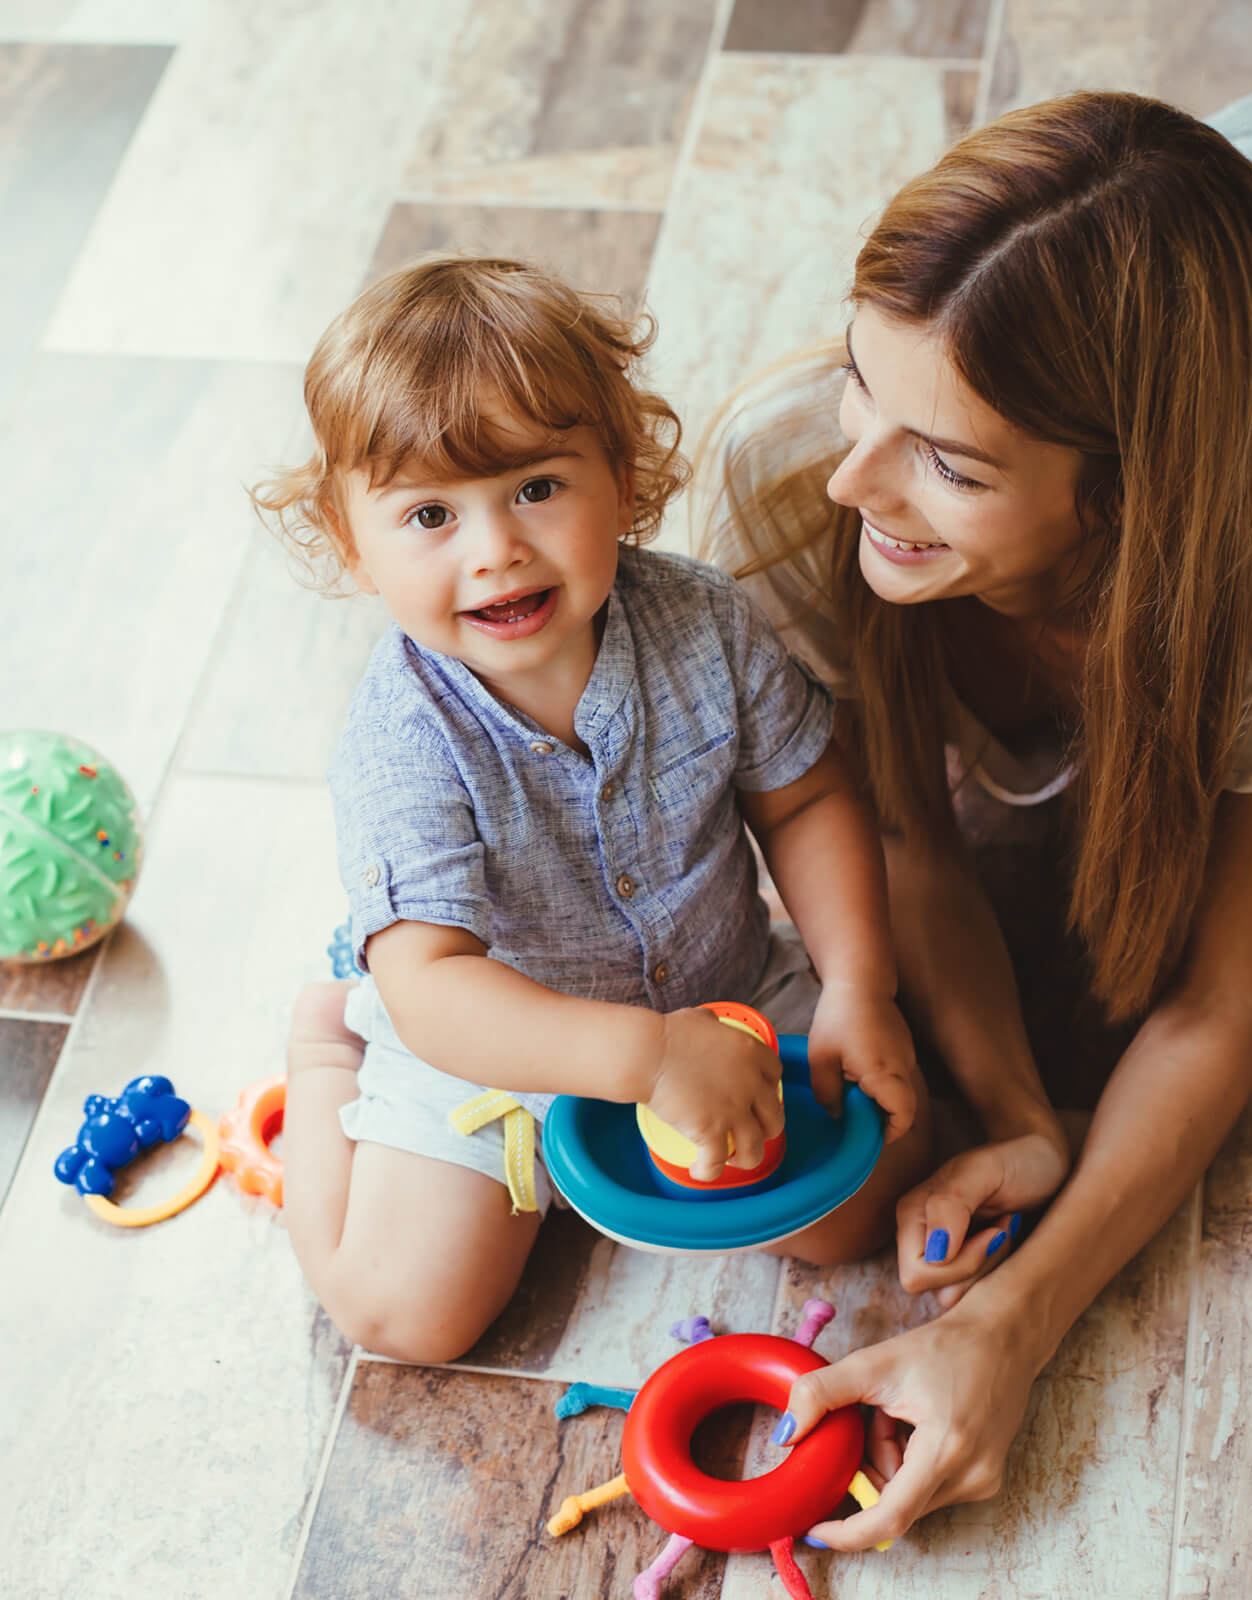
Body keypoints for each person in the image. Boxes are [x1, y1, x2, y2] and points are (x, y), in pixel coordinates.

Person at [696, 0, 1252, 1550]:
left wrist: (1016, 1324)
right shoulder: (798, 472)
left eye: (949, 465)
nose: (856, 481)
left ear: (1124, 504)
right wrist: (1020, 1109)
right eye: (866, 383)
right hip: (1233, 208)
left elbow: (1220, 1007)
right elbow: (905, 834)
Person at [252, 255, 932, 1363]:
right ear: (349, 541)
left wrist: (858, 982)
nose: (496, 548)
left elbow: (807, 798)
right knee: (405, 1315)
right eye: (429, 513)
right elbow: (434, 985)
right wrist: (643, 1059)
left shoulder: (702, 622)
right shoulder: (401, 739)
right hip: (486, 1050)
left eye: (535, 487)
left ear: (622, 474)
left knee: (864, 1199)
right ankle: (329, 1045)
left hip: (723, 987)